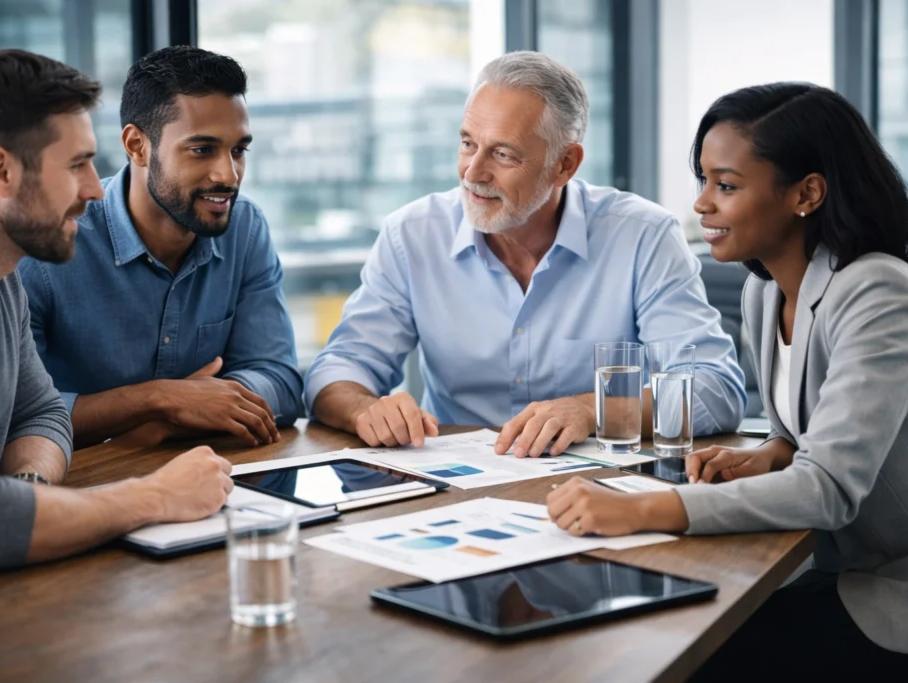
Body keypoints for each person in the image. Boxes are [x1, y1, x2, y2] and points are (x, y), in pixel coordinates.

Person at [546, 83, 908, 678]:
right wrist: (774, 452)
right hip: (837, 568)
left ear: (806, 193)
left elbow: (828, 488)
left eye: (726, 185)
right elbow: (805, 435)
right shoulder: (764, 291)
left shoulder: (878, 291)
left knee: (674, 655)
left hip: (898, 590)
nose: (700, 205)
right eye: (702, 181)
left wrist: (647, 508)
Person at [0, 50, 234, 583]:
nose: (96, 189)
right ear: (0, 171)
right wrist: (156, 495)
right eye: (76, 164)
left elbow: (41, 415)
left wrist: (24, 498)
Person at [304, 51, 745, 456]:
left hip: (596, 489)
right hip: (454, 490)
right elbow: (338, 370)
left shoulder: (642, 235)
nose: (473, 173)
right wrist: (364, 409)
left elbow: (714, 388)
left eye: (503, 153)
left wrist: (591, 409)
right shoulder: (412, 235)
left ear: (565, 165)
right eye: (467, 143)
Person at [18, 46, 302, 449]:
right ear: (137, 145)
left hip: (214, 480)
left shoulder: (245, 227)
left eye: (238, 150)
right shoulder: (50, 244)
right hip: (86, 488)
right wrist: (162, 399)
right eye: (202, 150)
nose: (229, 174)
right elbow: (18, 415)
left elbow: (282, 381)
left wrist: (170, 422)